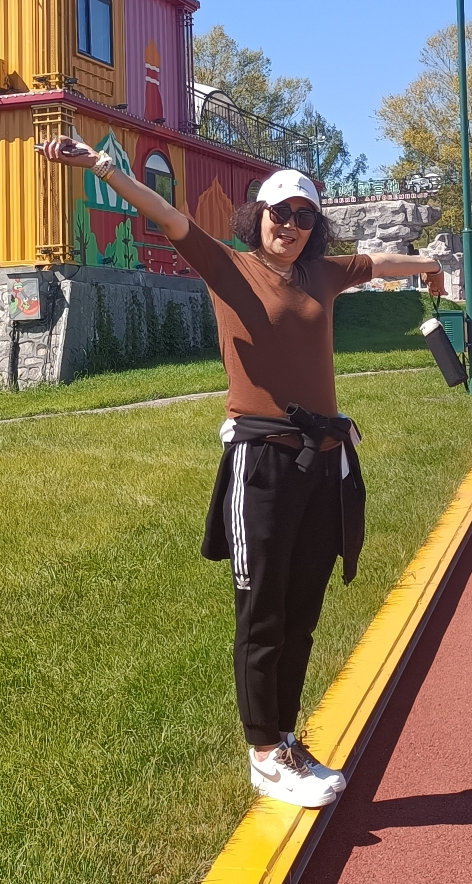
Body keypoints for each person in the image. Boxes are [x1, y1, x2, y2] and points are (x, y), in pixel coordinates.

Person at [41, 138, 445, 809]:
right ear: (256, 216)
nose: (290, 226)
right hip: (261, 462)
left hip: (322, 463)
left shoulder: (323, 274)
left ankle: (286, 736)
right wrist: (103, 168)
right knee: (263, 611)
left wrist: (428, 263)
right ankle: (263, 754)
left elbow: (378, 262)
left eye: (304, 217)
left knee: (302, 611)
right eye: (279, 213)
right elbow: (167, 217)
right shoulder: (229, 268)